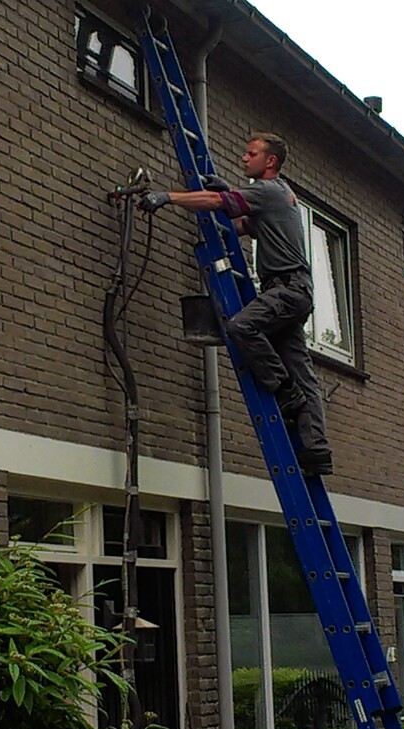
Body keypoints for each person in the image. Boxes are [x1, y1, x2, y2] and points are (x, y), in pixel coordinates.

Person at [137, 133, 332, 476]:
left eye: (251, 153)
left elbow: (216, 202)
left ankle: (285, 392)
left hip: (286, 289)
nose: (244, 158)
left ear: (270, 161)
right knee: (303, 372)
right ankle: (316, 450)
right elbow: (241, 225)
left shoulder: (269, 189)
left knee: (241, 327)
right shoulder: (279, 195)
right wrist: (228, 194)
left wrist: (168, 197)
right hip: (295, 291)